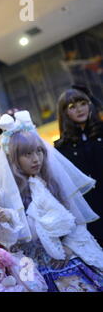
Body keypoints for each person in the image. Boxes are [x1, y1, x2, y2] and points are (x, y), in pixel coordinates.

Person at [0, 110, 103, 292]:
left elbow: (75, 220)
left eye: (39, 151)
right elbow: (14, 240)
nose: (36, 159)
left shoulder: (51, 182)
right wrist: (10, 218)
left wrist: (68, 246)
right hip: (39, 269)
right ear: (14, 159)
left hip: (70, 256)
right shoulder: (11, 195)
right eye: (27, 154)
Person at [54, 87, 103, 245]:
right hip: (89, 210)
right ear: (64, 112)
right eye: (72, 106)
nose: (79, 109)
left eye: (83, 103)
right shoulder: (61, 147)